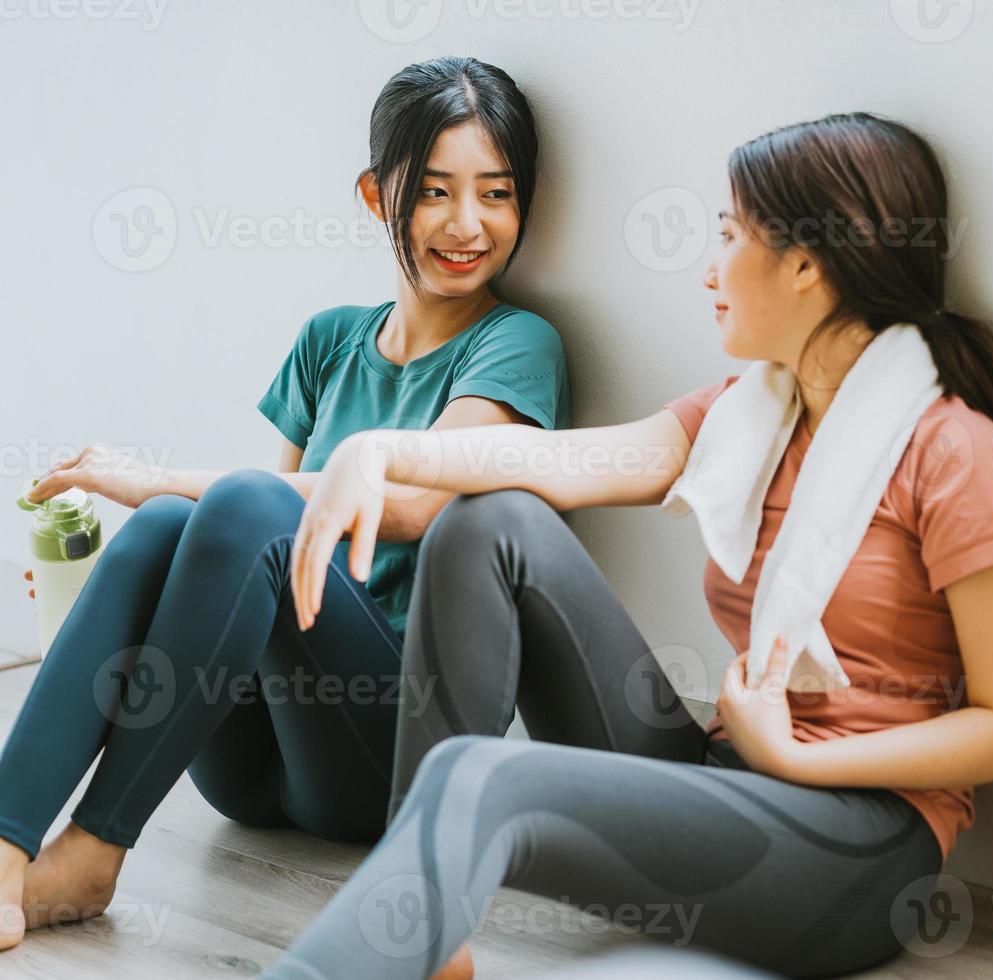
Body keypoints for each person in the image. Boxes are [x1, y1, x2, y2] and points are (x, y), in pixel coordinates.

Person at [269, 112, 993, 980]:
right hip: (728, 777)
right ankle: (431, 937)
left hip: (861, 849)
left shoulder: (959, 454)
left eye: (728, 237)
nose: (710, 271)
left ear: (805, 264)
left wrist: (789, 754)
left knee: (483, 779)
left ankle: (403, 929)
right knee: (491, 519)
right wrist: (383, 451)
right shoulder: (748, 414)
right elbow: (559, 462)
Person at [0, 56, 569, 953]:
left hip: (385, 758)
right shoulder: (329, 340)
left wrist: (155, 474)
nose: (469, 225)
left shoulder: (516, 344)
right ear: (376, 196)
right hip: (256, 770)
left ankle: (95, 848)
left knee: (202, 504)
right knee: (167, 529)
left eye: (496, 194)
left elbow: (414, 500)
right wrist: (153, 524)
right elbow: (257, 544)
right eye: (434, 192)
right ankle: (5, 845)